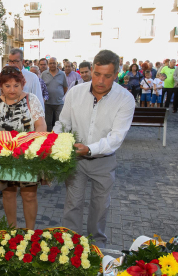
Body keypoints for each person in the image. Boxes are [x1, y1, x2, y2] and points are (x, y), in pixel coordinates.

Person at [53, 50, 135, 248]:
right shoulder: (75, 92)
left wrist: (89, 149)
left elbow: (116, 138)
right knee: (73, 204)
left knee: (100, 206)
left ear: (116, 75)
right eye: (97, 74)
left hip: (104, 161)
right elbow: (63, 123)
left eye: (107, 76)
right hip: (76, 160)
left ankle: (96, 247)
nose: (100, 80)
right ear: (91, 70)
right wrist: (56, 145)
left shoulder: (125, 99)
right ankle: (69, 245)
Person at [0, 66, 47, 229]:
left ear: (22, 84)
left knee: (30, 195)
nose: (12, 90)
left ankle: (30, 231)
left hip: (27, 156)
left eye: (16, 85)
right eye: (7, 86)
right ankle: (12, 230)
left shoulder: (31, 100)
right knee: (8, 193)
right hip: (4, 158)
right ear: (1, 86)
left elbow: (41, 126)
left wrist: (27, 142)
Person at [41, 57, 68, 131]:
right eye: (50, 63)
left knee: (59, 122)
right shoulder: (44, 74)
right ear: (48, 64)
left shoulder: (62, 74)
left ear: (57, 64)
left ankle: (58, 137)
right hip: (47, 103)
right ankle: (48, 137)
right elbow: (41, 87)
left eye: (54, 63)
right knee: (47, 122)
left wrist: (61, 97)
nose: (52, 65)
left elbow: (65, 87)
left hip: (59, 103)